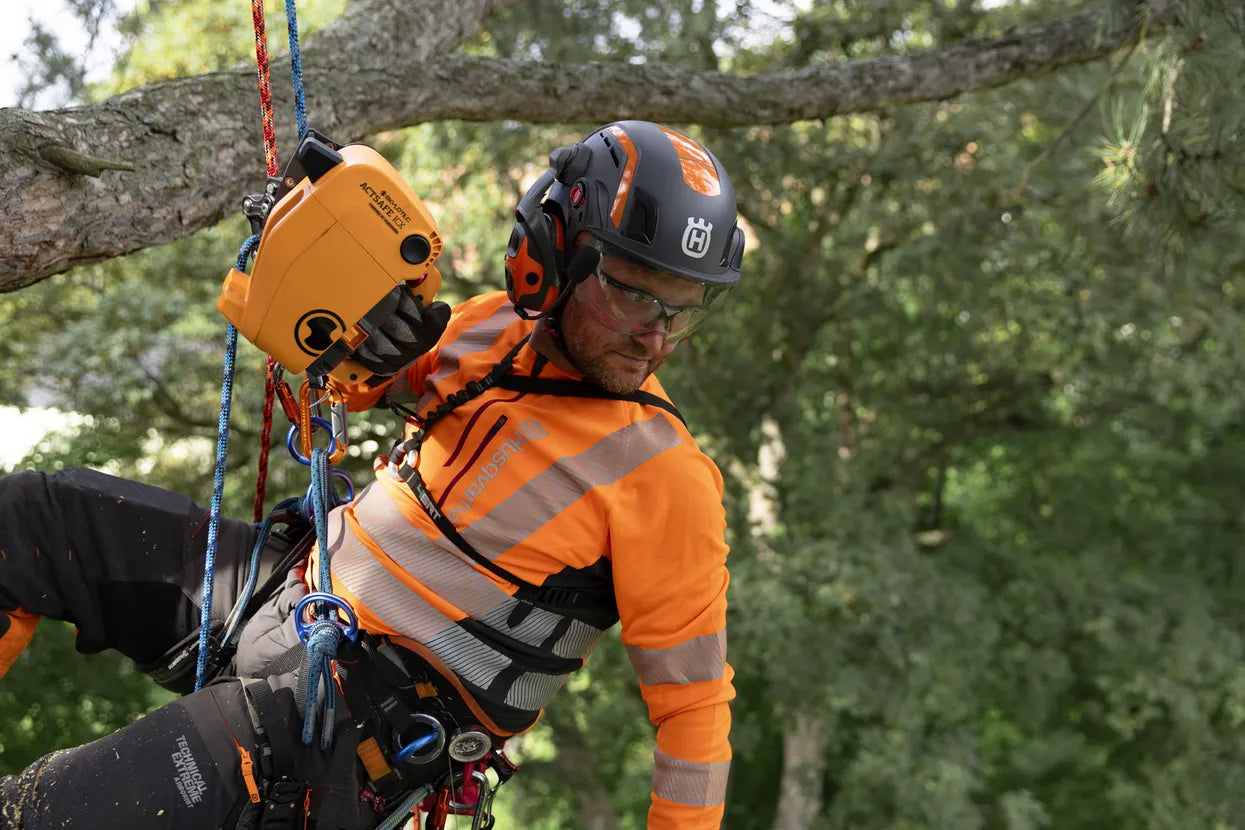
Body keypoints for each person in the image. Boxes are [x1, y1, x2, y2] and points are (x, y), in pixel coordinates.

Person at [0, 119, 743, 830]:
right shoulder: (486, 329)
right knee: (29, 519)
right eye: (632, 292)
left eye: (683, 310)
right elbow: (324, 397)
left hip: (349, 727)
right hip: (288, 593)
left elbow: (694, 712)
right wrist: (363, 340)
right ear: (552, 251)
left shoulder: (664, 476)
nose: (655, 336)